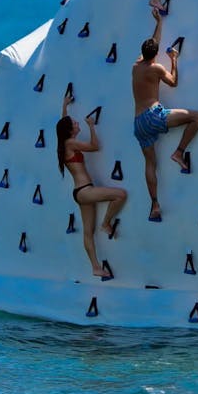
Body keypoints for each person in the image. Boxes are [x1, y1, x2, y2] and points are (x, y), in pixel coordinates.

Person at [132, 9, 198, 221]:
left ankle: (154, 204)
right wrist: (174, 60)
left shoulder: (136, 65)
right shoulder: (156, 69)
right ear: (156, 55)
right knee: (196, 117)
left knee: (150, 164)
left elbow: (154, 42)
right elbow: (173, 82)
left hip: (138, 123)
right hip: (153, 115)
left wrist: (159, 23)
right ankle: (179, 152)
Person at [56, 91, 128, 278]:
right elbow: (95, 147)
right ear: (70, 131)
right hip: (85, 191)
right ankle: (106, 223)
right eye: (75, 123)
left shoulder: (65, 142)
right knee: (120, 195)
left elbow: (62, 122)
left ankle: (95, 267)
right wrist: (91, 126)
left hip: (81, 192)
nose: (77, 123)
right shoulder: (70, 144)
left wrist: (65, 105)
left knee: (88, 232)